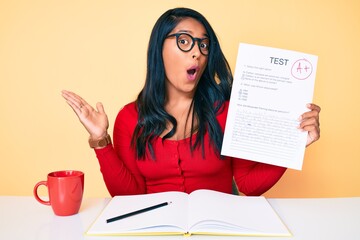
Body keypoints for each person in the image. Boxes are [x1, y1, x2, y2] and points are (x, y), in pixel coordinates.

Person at [61, 7, 321, 197]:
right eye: (184, 41)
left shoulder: (226, 111)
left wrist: (293, 145)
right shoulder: (130, 118)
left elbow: (247, 185)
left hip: (219, 230)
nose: (197, 52)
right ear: (158, 49)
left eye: (204, 45)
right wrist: (101, 140)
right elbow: (128, 196)